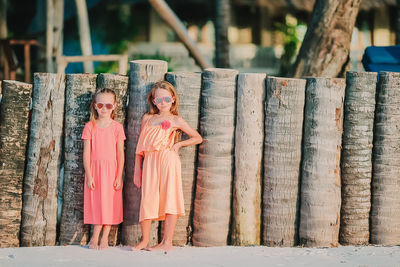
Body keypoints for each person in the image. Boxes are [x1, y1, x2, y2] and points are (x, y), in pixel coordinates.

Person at [132, 81, 202, 251]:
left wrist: (178, 146)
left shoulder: (175, 119)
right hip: (150, 160)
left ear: (172, 99)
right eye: (158, 100)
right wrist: (137, 169)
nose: (162, 103)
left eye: (166, 99)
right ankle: (144, 240)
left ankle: (167, 242)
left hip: (168, 159)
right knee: (147, 198)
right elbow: (140, 147)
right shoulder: (147, 118)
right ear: (153, 101)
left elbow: (197, 137)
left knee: (170, 197)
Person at [82, 88, 126, 250]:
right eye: (100, 104)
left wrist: (119, 175)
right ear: (95, 105)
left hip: (112, 171)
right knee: (96, 204)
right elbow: (86, 153)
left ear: (114, 106)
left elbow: (120, 154)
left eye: (108, 105)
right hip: (95, 171)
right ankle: (94, 236)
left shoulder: (117, 127)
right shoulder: (89, 127)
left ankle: (105, 238)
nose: (104, 109)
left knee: (110, 204)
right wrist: (89, 175)